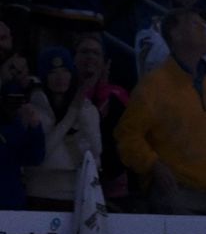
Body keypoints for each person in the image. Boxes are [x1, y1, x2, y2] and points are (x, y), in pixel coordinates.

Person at [115, 8, 206, 215]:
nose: (205, 28)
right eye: (196, 24)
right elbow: (127, 135)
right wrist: (154, 166)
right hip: (176, 195)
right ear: (175, 34)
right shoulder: (154, 84)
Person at [24, 46, 102, 211]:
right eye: (53, 72)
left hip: (78, 194)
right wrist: (71, 115)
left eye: (65, 70)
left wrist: (80, 111)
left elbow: (96, 150)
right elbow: (41, 154)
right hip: (39, 194)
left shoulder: (87, 108)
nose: (60, 77)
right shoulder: (33, 110)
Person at [73, 32, 130, 205]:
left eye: (96, 53)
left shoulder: (118, 96)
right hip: (72, 180)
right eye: (84, 52)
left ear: (105, 63)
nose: (90, 57)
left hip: (112, 183)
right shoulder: (62, 92)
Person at [0, 71, 45, 210]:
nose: (15, 104)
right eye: (10, 99)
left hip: (11, 203)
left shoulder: (18, 128)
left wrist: (34, 127)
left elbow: (34, 158)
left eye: (19, 100)